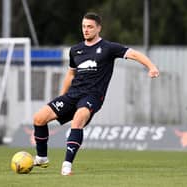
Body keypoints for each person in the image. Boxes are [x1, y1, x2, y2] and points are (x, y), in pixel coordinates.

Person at [32, 12, 159, 176]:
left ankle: (66, 166)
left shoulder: (109, 48)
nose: (86, 30)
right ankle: (42, 158)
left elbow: (134, 54)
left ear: (98, 28)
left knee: (78, 120)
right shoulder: (75, 50)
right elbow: (71, 74)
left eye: (90, 27)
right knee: (39, 118)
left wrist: (151, 67)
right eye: (84, 26)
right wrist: (62, 97)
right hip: (72, 95)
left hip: (92, 96)